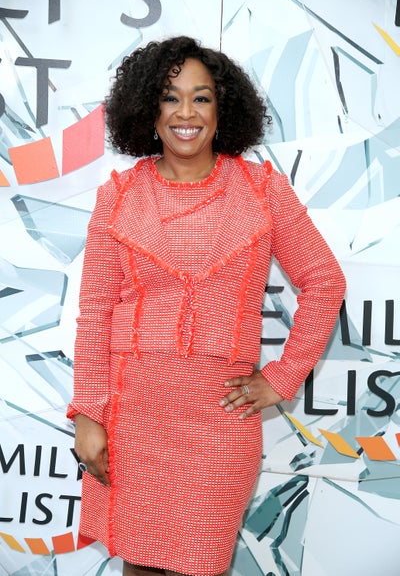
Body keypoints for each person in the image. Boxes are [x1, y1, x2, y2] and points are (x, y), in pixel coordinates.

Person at [67, 36, 346, 576]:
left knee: (200, 562)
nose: (186, 113)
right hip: (134, 415)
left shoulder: (262, 191)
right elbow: (95, 312)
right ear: (149, 111)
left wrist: (283, 376)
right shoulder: (118, 197)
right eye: (170, 98)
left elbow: (324, 281)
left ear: (223, 110)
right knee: (141, 566)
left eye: (202, 98)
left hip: (220, 421)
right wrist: (88, 414)